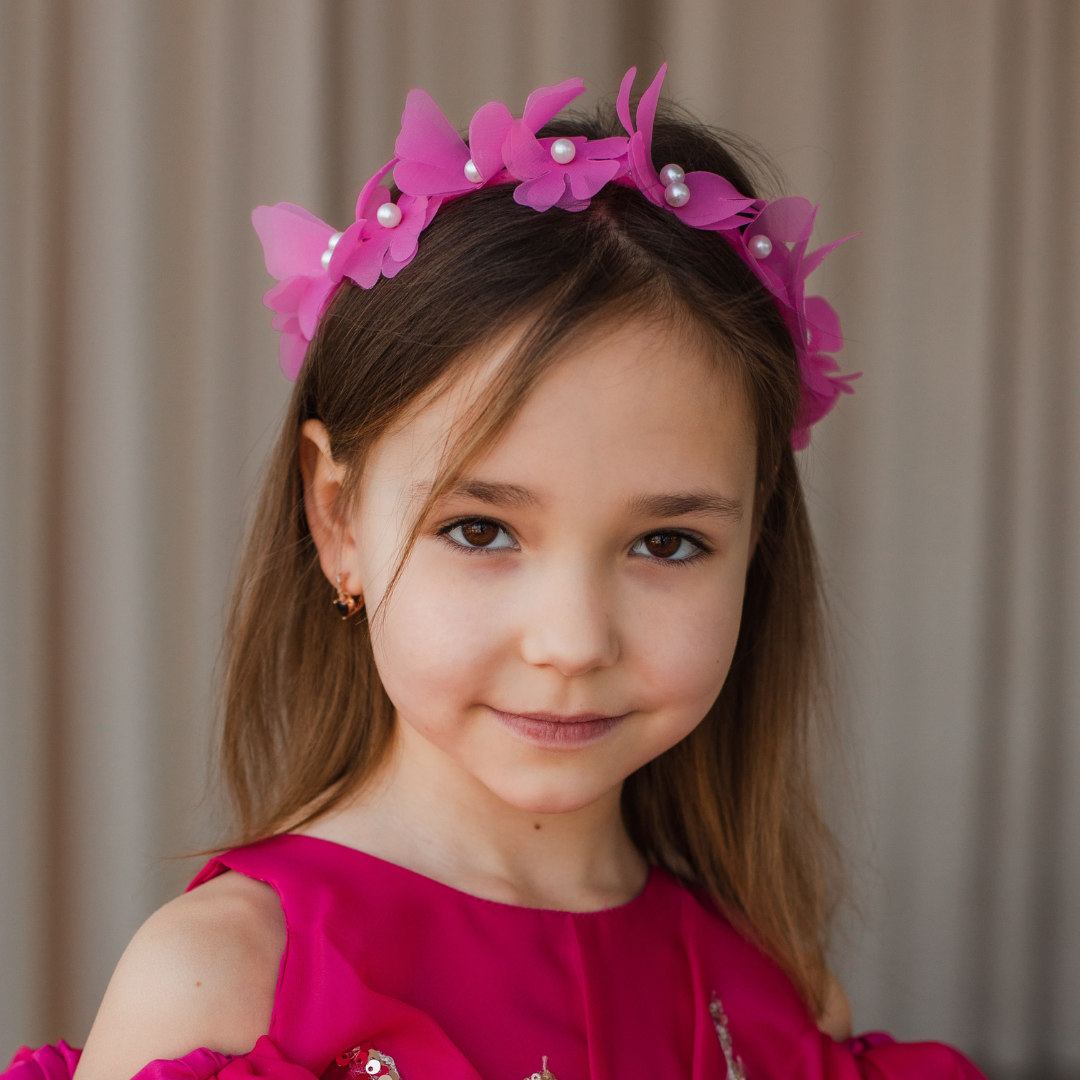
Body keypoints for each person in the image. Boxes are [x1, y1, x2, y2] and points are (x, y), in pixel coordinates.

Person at [6, 66, 986, 1080]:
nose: (571, 642)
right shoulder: (225, 986)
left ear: (756, 548)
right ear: (335, 517)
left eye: (667, 544)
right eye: (480, 531)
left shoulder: (774, 993)